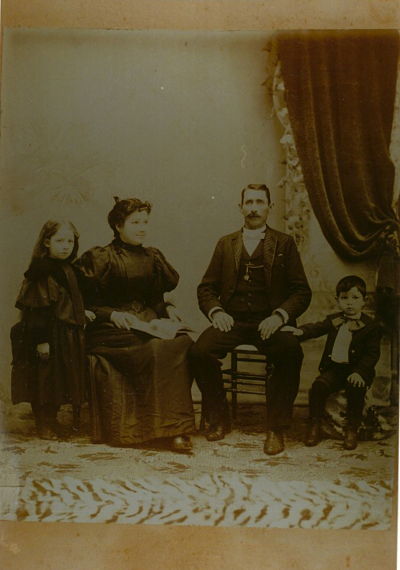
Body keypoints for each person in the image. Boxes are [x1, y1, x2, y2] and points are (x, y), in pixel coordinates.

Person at [189, 184, 312, 455]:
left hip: (269, 323)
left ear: (269, 207)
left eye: (259, 202)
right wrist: (217, 312)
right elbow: (206, 288)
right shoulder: (226, 243)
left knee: (290, 351)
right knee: (199, 352)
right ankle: (219, 417)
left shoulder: (284, 243)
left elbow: (301, 291)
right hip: (232, 321)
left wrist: (279, 316)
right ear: (240, 207)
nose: (254, 208)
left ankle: (276, 428)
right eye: (249, 202)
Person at [75, 197, 195, 453]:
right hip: (109, 329)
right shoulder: (101, 257)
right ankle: (163, 430)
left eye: (145, 222)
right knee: (155, 349)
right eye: (135, 223)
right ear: (118, 225)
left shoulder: (152, 257)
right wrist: (111, 315)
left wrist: (168, 310)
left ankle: (175, 427)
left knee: (181, 342)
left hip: (144, 321)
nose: (142, 228)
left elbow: (154, 299)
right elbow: (83, 302)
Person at [10, 219, 93, 439]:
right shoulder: (41, 271)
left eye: (70, 241)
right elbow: (37, 310)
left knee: (58, 380)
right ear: (47, 242)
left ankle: (53, 420)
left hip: (65, 335)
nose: (65, 246)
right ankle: (43, 423)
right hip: (48, 334)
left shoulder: (68, 269)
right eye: (59, 241)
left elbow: (66, 299)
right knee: (44, 379)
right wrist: (41, 340)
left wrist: (80, 312)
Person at [284, 275, 383, 451]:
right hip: (336, 369)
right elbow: (317, 328)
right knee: (318, 387)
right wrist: (301, 332)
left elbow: (372, 354)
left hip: (357, 370)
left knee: (355, 388)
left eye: (355, 298)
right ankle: (315, 425)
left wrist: (360, 372)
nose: (349, 303)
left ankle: (352, 428)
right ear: (337, 300)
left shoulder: (371, 326)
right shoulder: (334, 320)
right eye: (344, 298)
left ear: (364, 301)